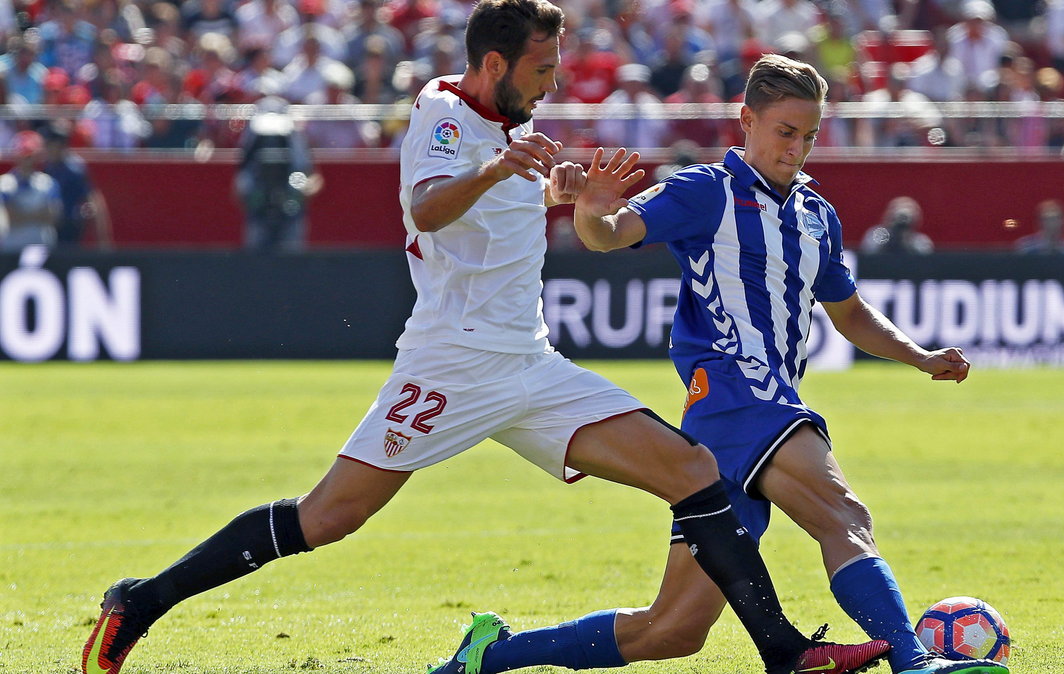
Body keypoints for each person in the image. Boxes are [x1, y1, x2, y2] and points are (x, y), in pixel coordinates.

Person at [80, 4, 886, 674]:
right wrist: (504, 172)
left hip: (529, 364)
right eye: (542, 69)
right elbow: (428, 210)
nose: (555, 80)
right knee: (328, 518)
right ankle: (140, 602)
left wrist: (566, 196)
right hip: (451, 362)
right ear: (495, 65)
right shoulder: (441, 114)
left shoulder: (515, 130)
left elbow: (495, 220)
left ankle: (782, 652)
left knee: (694, 470)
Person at [430, 54, 1010, 674]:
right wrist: (593, 209)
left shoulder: (818, 215)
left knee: (673, 629)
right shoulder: (706, 190)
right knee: (843, 514)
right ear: (747, 121)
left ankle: (492, 654)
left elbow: (850, 313)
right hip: (741, 394)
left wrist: (919, 356)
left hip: (734, 421)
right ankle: (916, 662)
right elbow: (610, 234)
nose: (797, 149)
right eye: (785, 132)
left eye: (809, 135)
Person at [235, 95, 322, 251]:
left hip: (291, 218)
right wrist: (253, 199)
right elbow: (239, 186)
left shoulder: (296, 140)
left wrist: (298, 195)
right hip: (258, 219)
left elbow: (312, 177)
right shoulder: (250, 143)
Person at [41, 124, 112, 249]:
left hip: (69, 225)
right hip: (51, 225)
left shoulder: (74, 169)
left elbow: (91, 199)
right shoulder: (49, 166)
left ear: (61, 146)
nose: (47, 149)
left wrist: (102, 238)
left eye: (50, 145)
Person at [0, 130, 63, 251]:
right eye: (23, 155)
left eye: (30, 156)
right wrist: (37, 215)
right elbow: (11, 219)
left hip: (42, 249)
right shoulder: (4, 184)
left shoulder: (49, 183)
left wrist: (22, 214)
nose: (27, 160)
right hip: (12, 249)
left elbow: (53, 217)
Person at [861, 196, 935, 254]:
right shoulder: (876, 234)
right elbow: (868, 252)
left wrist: (906, 239)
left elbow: (926, 258)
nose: (902, 218)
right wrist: (892, 234)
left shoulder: (921, 240)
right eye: (897, 209)